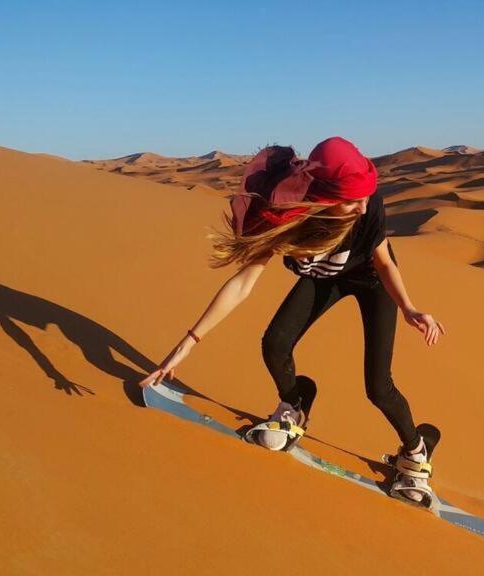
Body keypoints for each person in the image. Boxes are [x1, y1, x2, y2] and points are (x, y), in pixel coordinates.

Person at [139, 136, 446, 504]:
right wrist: (187, 344)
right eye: (353, 201)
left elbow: (384, 261)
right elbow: (242, 283)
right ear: (326, 196)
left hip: (373, 281)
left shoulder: (369, 206)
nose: (364, 208)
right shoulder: (287, 218)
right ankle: (294, 407)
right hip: (324, 279)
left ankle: (415, 452)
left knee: (378, 387)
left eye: (367, 198)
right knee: (275, 343)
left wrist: (410, 308)